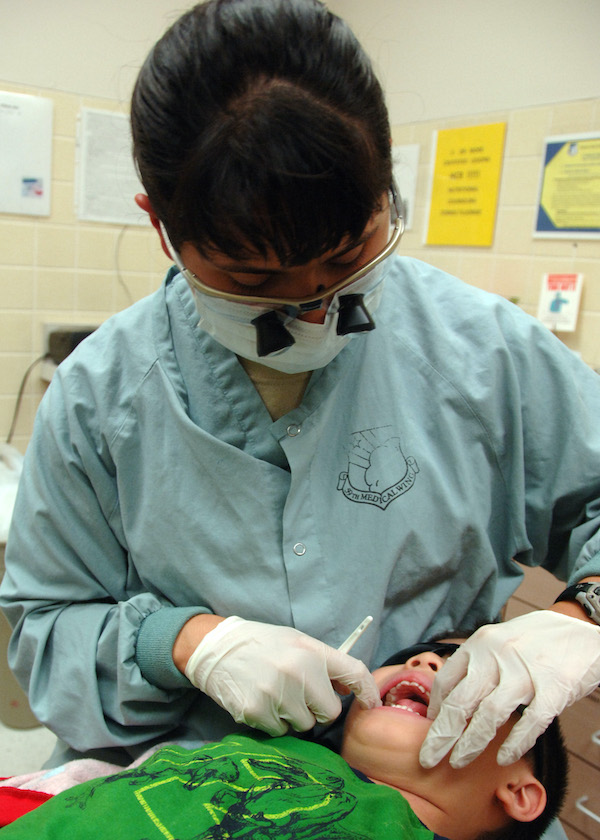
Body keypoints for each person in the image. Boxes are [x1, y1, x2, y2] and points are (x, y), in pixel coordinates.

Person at [0, 0, 598, 799]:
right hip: (171, 790)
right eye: (255, 283)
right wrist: (186, 644)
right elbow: (46, 632)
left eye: (348, 262)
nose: (317, 312)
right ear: (161, 225)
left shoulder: (487, 353)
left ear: (387, 182)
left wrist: (579, 618)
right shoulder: (101, 398)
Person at [0, 642, 568, 840]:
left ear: (520, 791)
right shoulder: (266, 753)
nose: (425, 660)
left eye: (472, 678)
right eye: (413, 657)